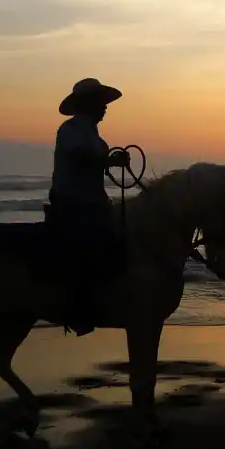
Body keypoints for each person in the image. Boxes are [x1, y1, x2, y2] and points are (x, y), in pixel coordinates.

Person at [49, 78, 130, 335]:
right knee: (90, 246)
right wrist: (108, 159)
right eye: (101, 102)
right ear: (89, 104)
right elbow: (81, 155)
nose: (106, 107)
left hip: (93, 203)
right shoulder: (70, 130)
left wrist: (111, 160)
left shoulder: (95, 136)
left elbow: (95, 159)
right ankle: (78, 308)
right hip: (73, 203)